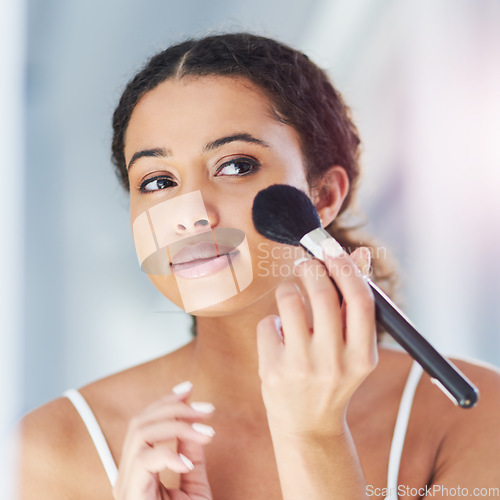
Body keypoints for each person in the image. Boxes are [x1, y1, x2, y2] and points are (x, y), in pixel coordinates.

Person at [17, 33, 500, 500]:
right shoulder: (49, 448)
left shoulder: (473, 416)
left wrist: (313, 438)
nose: (191, 214)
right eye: (158, 180)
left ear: (324, 196)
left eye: (236, 166)